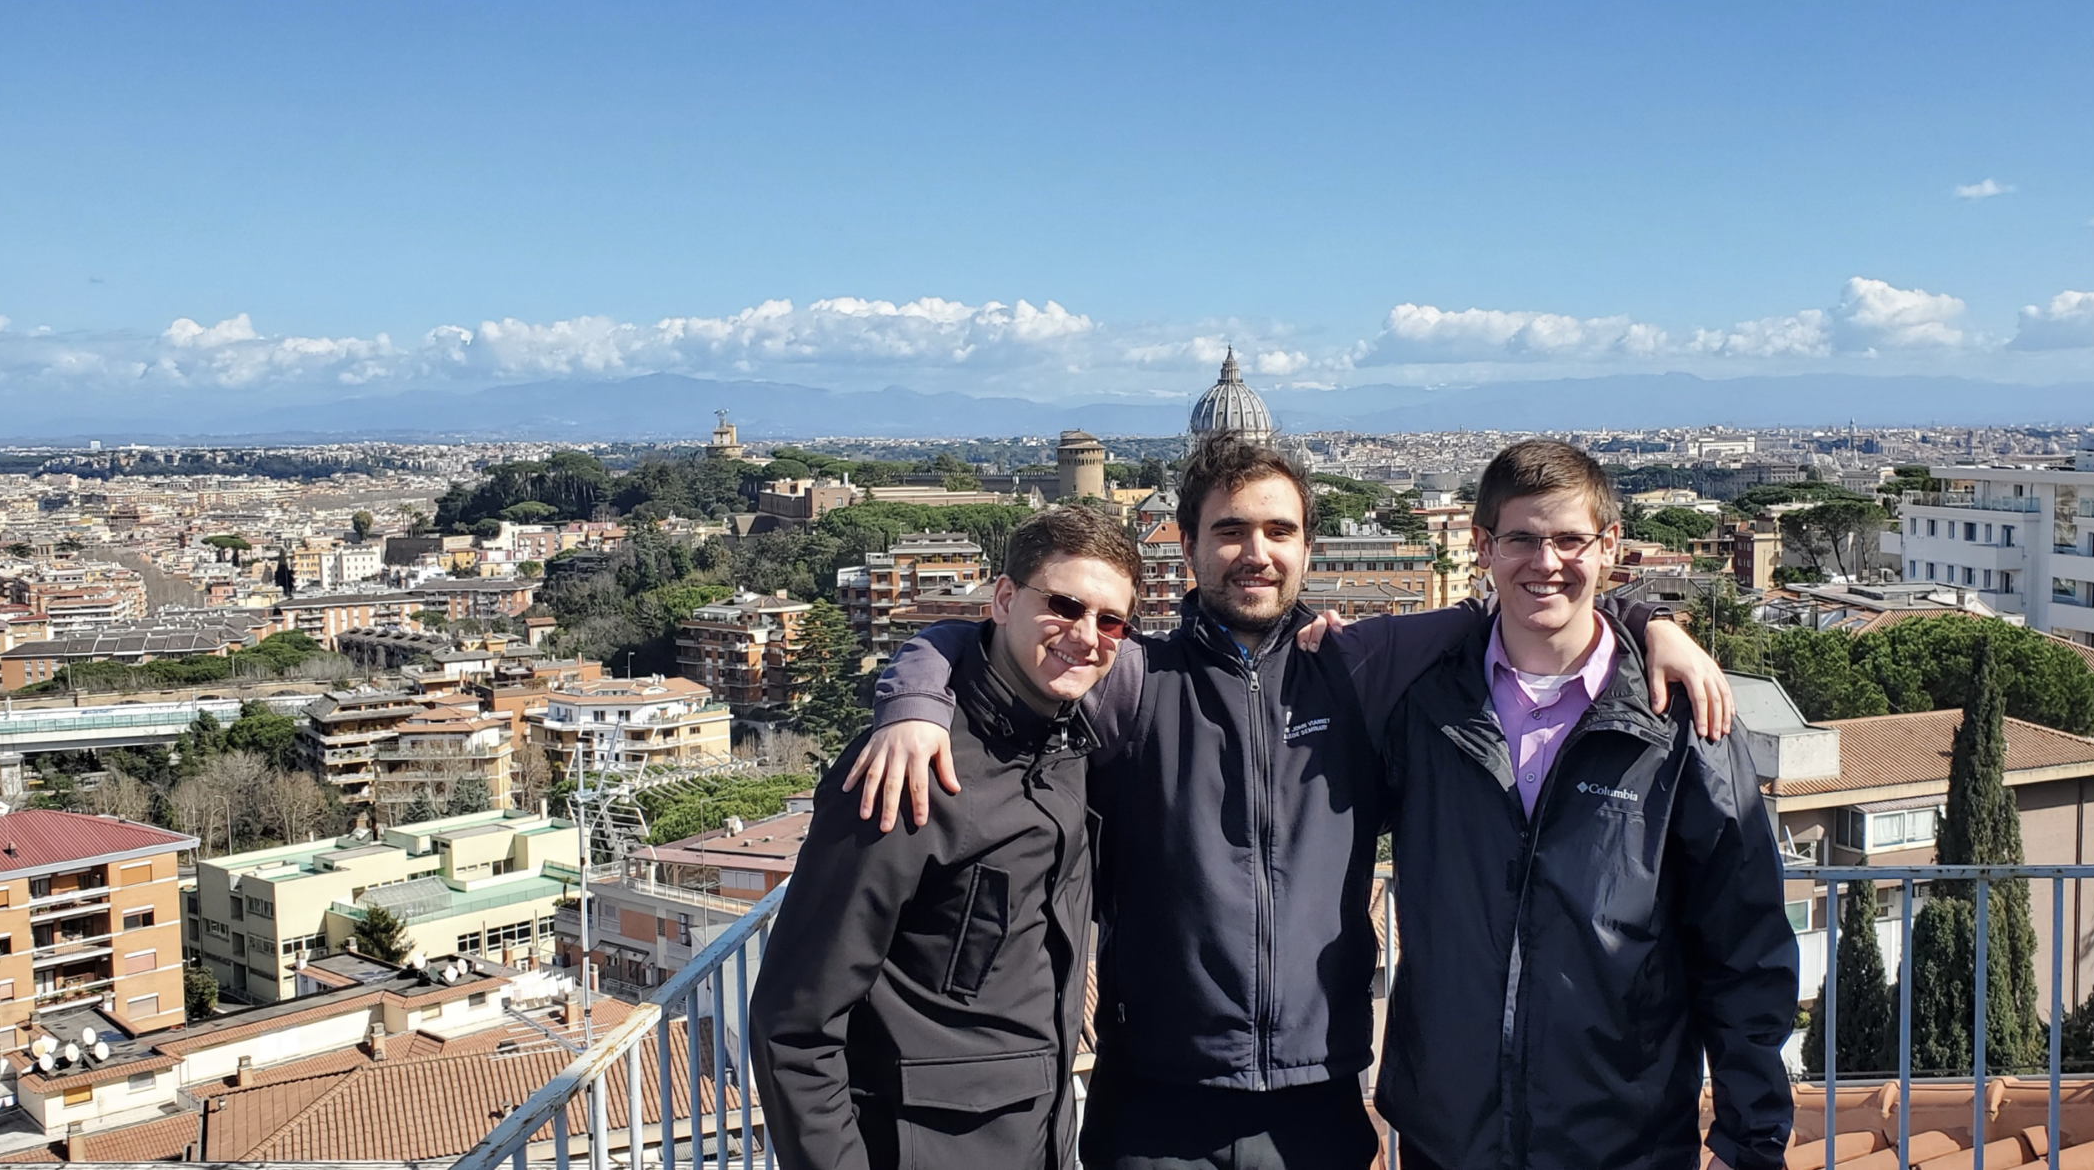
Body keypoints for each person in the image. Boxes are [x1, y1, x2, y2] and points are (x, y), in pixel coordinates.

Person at [851, 432, 1738, 1170]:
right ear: (1187, 545)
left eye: (1280, 529)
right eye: (1230, 529)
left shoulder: (1357, 665)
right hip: (1157, 1101)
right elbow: (985, 636)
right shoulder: (1135, 679)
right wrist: (915, 700)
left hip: (1317, 1101)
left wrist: (1650, 622)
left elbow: (1534, 593)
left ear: (1308, 546)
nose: (1257, 551)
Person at [1377, 440, 1795, 1170]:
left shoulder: (1680, 719)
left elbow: (1742, 941)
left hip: (1624, 1144)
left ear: (1609, 547)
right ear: (1483, 547)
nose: (1546, 561)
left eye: (1570, 539)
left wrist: (1750, 1143)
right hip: (1448, 1142)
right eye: (1522, 538)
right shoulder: (1422, 706)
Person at [745, 505, 1143, 1170]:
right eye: (1064, 605)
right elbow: (794, 1023)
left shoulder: (1072, 749)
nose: (1085, 635)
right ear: (1005, 599)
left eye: (1110, 621)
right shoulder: (905, 768)